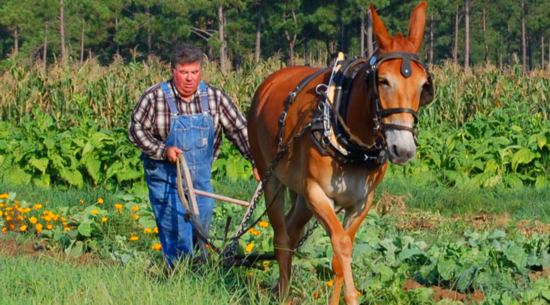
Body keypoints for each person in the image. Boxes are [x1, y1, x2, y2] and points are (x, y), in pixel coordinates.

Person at [128, 43, 258, 266]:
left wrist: (256, 160)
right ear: (173, 71)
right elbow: (135, 130)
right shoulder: (155, 97)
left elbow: (239, 130)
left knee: (201, 228)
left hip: (200, 179)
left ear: (201, 72)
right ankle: (179, 277)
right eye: (184, 72)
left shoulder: (215, 98)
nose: (190, 78)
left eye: (194, 72)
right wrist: (163, 150)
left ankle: (198, 267)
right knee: (177, 230)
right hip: (167, 179)